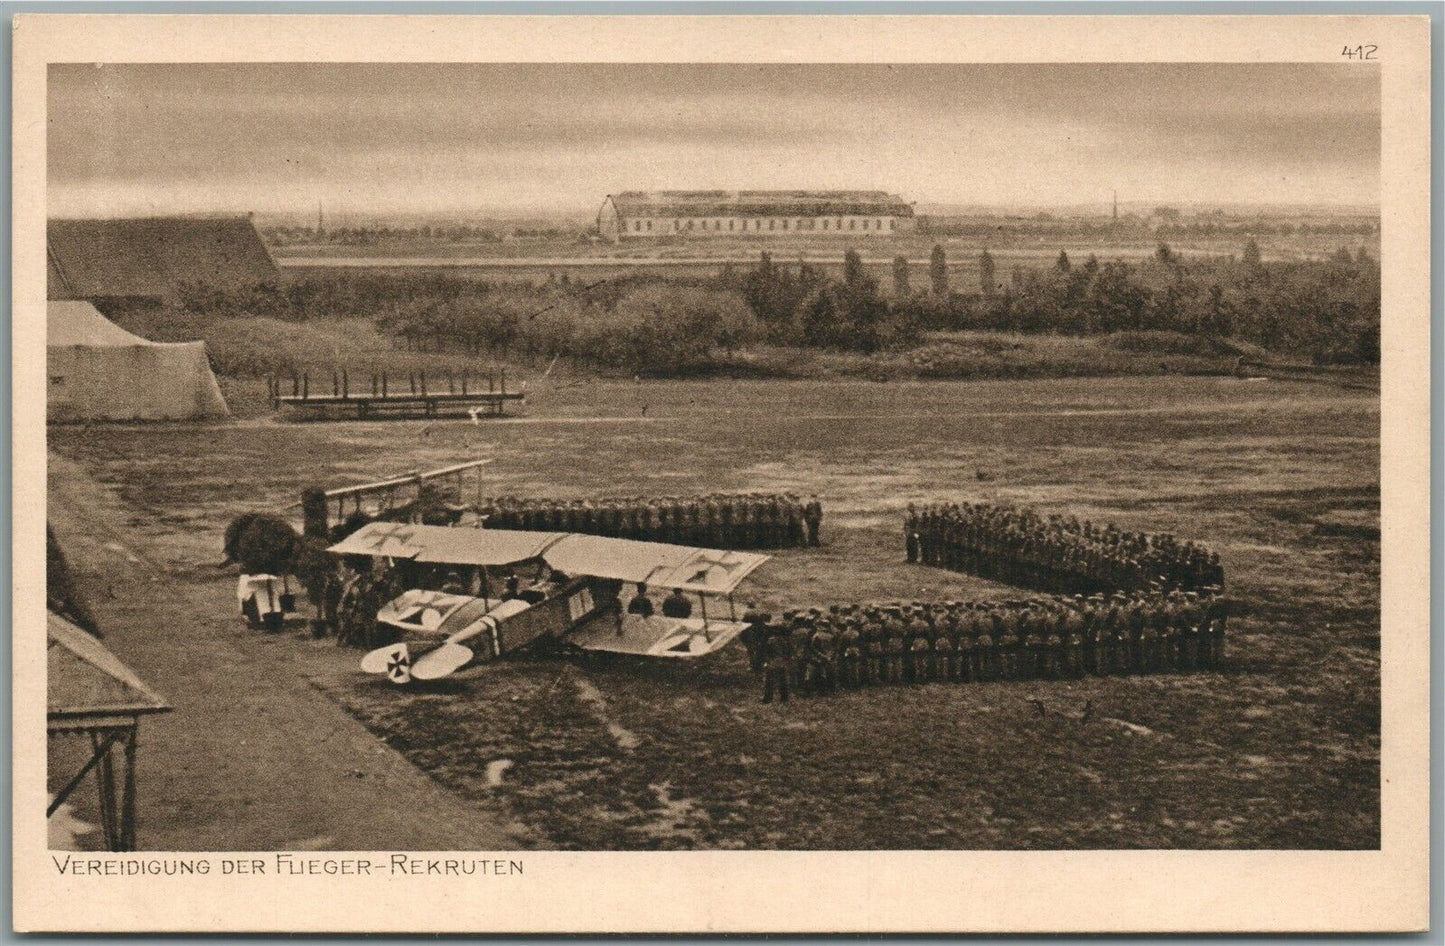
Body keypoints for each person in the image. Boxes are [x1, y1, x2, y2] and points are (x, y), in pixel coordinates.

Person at [762, 630, 791, 704]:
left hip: (772, 663)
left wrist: (768, 661)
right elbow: (788, 652)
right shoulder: (784, 641)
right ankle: (784, 698)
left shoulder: (770, 640)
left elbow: (765, 653)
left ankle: (768, 699)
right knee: (782, 681)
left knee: (770, 682)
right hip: (781, 662)